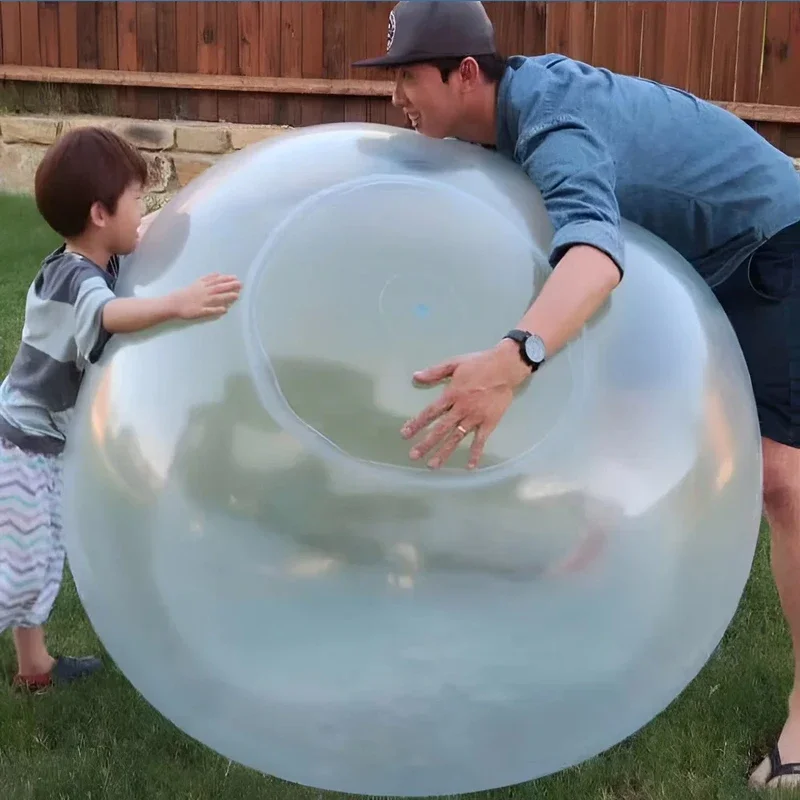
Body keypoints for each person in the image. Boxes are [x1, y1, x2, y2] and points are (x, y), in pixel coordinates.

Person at [353, 0, 800, 789]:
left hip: (769, 246)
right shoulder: (496, 125)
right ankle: (592, 600)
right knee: (616, 430)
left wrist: (512, 360)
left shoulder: (554, 122)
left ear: (465, 73)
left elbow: (593, 255)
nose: (398, 97)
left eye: (408, 78)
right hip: (685, 255)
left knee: (781, 481)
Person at [0, 127, 242, 691]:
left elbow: (153, 232)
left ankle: (34, 669)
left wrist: (200, 204)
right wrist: (179, 303)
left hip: (44, 440)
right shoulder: (73, 279)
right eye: (138, 200)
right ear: (100, 213)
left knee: (40, 553)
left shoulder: (96, 256)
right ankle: (31, 661)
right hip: (22, 444)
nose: (145, 212)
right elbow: (110, 318)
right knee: (22, 566)